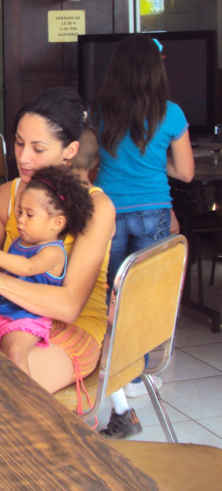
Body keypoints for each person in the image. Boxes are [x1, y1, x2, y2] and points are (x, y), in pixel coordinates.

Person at [0, 87, 116, 395]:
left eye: (38, 149)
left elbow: (68, 307)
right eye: (18, 143)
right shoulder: (7, 196)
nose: (23, 158)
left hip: (73, 327)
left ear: (69, 151)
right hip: (9, 320)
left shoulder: (97, 207)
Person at [90, 33, 194, 439]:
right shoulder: (171, 114)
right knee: (146, 293)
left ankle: (118, 370)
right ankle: (141, 370)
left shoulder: (99, 111)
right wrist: (156, 167)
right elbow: (186, 172)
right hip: (154, 212)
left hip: (110, 212)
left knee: (111, 294)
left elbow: (90, 162)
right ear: (155, 69)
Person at [0, 165, 94, 376]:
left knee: (15, 352)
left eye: (30, 214)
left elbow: (26, 268)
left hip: (27, 318)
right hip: (1, 313)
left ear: (57, 223)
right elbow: (8, 269)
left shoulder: (53, 252)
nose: (21, 220)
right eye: (19, 212)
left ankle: (26, 403)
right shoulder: (20, 242)